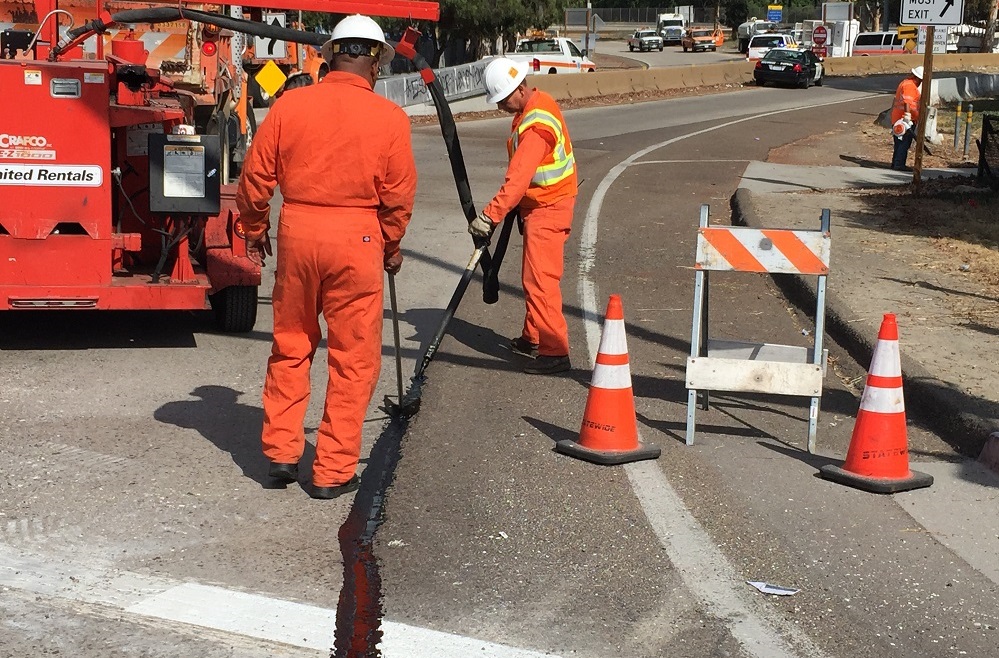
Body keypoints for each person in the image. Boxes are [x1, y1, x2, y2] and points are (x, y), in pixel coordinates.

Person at [235, 14, 417, 499]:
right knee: (353, 358)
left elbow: (254, 179)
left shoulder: (290, 105)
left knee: (292, 343)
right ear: (374, 60)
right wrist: (391, 245)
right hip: (357, 239)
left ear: (330, 53)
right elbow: (398, 197)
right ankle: (333, 471)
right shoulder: (390, 119)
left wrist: (255, 230)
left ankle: (280, 452)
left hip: (298, 233)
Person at [469, 57, 578, 376]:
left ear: (516, 91)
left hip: (549, 206)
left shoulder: (534, 127)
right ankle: (533, 337)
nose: (500, 106)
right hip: (543, 203)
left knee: (540, 280)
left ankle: (555, 351)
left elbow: (516, 180)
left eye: (501, 100)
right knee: (534, 275)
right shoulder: (537, 104)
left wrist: (488, 217)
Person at [890, 66, 923, 171]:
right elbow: (907, 102)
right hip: (904, 120)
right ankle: (899, 164)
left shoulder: (905, 83)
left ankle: (896, 163)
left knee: (899, 142)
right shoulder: (910, 86)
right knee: (904, 142)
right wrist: (908, 117)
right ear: (917, 78)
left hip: (899, 118)